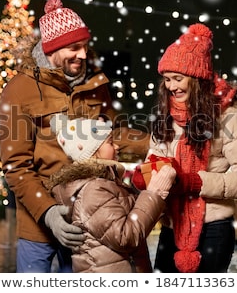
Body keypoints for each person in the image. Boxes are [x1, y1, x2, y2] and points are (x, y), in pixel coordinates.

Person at [0, 0, 148, 273]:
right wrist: (48, 212)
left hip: (86, 219)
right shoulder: (20, 90)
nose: (83, 54)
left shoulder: (95, 84)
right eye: (74, 47)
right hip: (38, 224)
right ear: (51, 48)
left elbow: (112, 134)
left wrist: (156, 144)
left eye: (84, 46)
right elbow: (16, 166)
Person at [141, 23, 237, 273]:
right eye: (167, 79)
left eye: (178, 78)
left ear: (197, 79)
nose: (171, 87)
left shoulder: (228, 117)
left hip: (213, 232)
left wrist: (198, 183)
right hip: (170, 227)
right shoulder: (166, 116)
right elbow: (153, 162)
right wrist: (144, 175)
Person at [47, 114, 176, 272]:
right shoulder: (93, 190)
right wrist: (154, 194)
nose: (116, 147)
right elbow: (125, 237)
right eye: (110, 143)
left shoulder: (106, 182)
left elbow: (131, 215)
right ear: (93, 152)